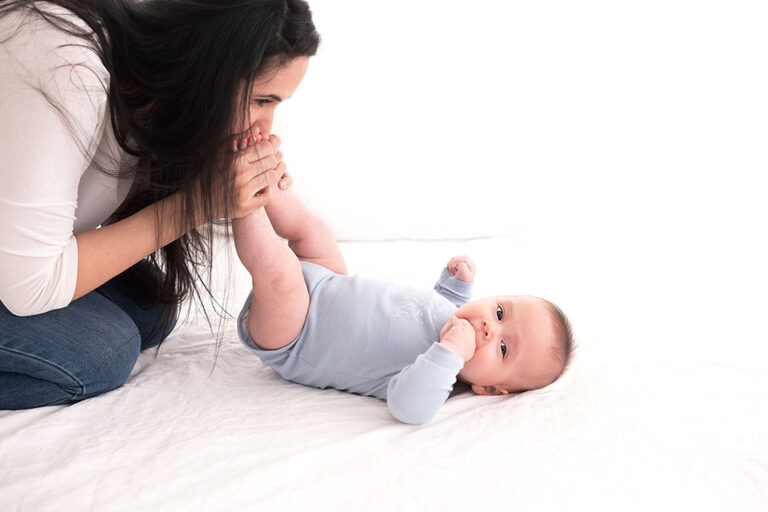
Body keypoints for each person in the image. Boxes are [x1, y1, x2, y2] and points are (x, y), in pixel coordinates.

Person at [0, 0, 320, 410]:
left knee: (150, 304)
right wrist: (199, 201)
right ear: (210, 69)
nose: (265, 126)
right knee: (101, 355)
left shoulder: (148, 87)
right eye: (262, 101)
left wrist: (239, 184)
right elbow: (31, 286)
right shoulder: (66, 68)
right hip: (20, 276)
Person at [233, 180, 575, 425]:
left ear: (487, 388)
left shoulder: (437, 378)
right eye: (500, 312)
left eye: (503, 348)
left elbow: (409, 409)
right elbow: (438, 305)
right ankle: (263, 176)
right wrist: (456, 286)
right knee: (316, 232)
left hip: (295, 334)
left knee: (280, 272)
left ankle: (239, 198)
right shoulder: (454, 319)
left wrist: (450, 354)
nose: (489, 326)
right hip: (327, 280)